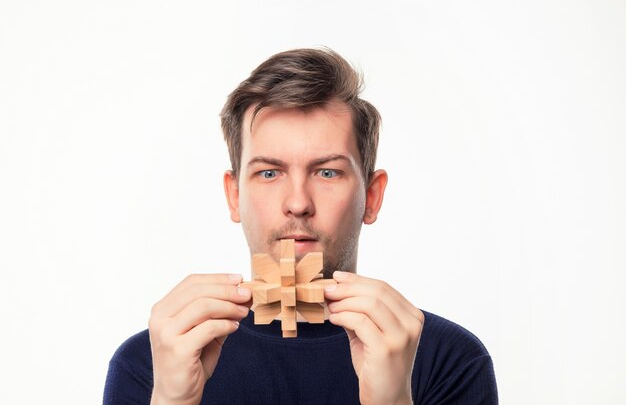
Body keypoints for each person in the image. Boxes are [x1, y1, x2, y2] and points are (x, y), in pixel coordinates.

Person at [103, 48, 498, 405]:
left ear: (372, 197)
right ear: (234, 196)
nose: (298, 203)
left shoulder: (451, 360)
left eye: (327, 172)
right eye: (270, 172)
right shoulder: (152, 363)